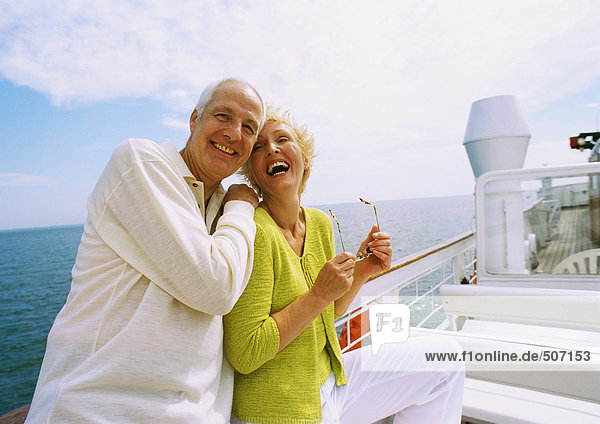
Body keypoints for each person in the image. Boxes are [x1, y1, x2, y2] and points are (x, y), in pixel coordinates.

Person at [25, 78, 265, 423]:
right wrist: (242, 206)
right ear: (194, 119)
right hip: (94, 411)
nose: (233, 133)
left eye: (248, 127)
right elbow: (217, 288)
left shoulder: (220, 211)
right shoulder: (142, 163)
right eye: (223, 116)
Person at [223, 106, 465, 423]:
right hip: (281, 410)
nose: (272, 149)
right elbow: (245, 352)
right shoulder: (255, 233)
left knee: (445, 362)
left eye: (283, 139)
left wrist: (363, 272)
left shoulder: (320, 223)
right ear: (252, 173)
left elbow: (326, 313)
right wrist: (319, 295)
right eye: (258, 147)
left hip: (331, 384)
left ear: (304, 159)